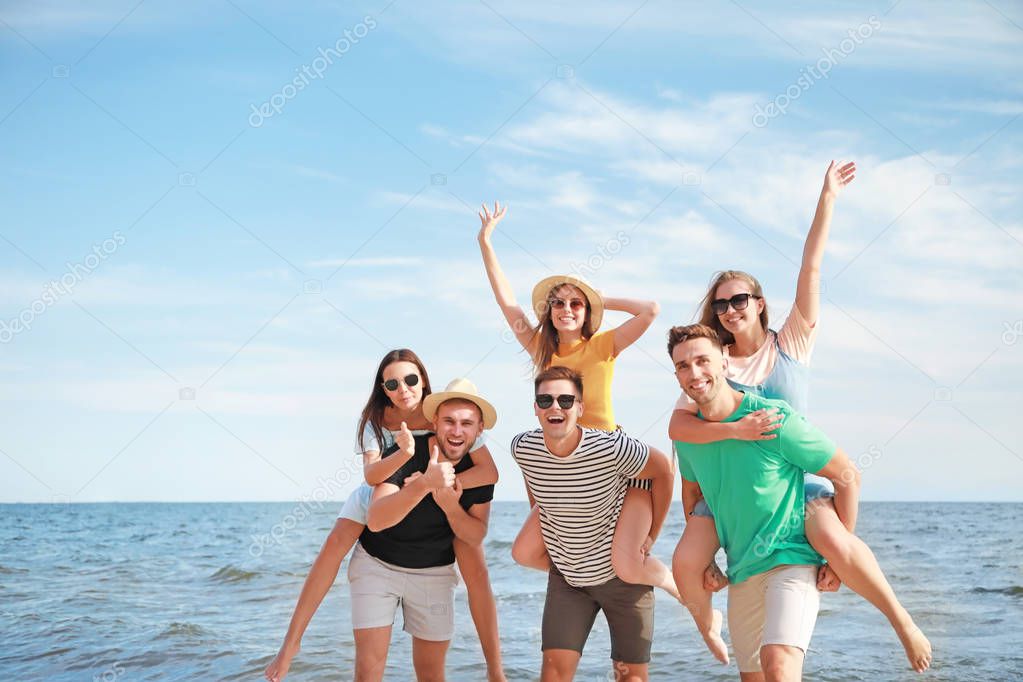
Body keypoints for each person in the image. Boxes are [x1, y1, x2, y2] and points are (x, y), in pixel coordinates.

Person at [668, 162, 931, 674]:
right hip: (728, 485)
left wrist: (827, 198)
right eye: (720, 304)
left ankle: (900, 620)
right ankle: (707, 621)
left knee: (833, 538)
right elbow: (681, 431)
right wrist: (735, 430)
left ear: (760, 303)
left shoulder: (788, 344)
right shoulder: (707, 367)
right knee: (687, 561)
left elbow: (810, 271)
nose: (729, 309)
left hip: (792, 480)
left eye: (739, 299)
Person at [669, 324, 932, 678]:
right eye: (683, 366)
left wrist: (835, 556)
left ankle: (903, 624)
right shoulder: (689, 436)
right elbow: (693, 493)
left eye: (703, 360)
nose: (694, 373)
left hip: (793, 557)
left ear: (725, 363)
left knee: (778, 664)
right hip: (743, 567)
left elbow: (847, 474)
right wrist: (706, 560)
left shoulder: (772, 420)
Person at [478, 201, 678, 601]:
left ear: (586, 312)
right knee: (524, 552)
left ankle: (658, 577)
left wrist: (603, 297)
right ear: (548, 312)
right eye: (558, 303)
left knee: (628, 558)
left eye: (576, 303)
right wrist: (485, 241)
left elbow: (650, 309)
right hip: (560, 466)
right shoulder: (539, 348)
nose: (566, 309)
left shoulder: (604, 344)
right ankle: (592, 572)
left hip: (608, 456)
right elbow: (505, 301)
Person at [264, 353, 504, 682]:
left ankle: (495, 670)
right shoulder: (377, 419)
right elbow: (372, 475)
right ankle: (291, 644)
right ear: (384, 389)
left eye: (410, 380)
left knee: (475, 564)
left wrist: (448, 484)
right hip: (382, 488)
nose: (403, 389)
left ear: (423, 380)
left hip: (435, 490)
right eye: (393, 383)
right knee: (334, 547)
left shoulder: (453, 413)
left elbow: (489, 472)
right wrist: (409, 461)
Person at [512, 366, 676, 681]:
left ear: (580, 408)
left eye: (565, 400)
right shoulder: (523, 447)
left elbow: (664, 472)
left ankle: (665, 579)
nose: (555, 407)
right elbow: (532, 477)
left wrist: (651, 536)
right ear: (535, 408)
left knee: (631, 677)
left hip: (623, 579)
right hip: (570, 582)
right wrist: (548, 514)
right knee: (554, 674)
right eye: (545, 400)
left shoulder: (611, 448)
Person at [355, 377, 498, 681]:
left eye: (466, 423)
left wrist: (449, 503)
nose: (457, 431)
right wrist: (423, 484)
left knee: (432, 673)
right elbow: (376, 520)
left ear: (479, 430)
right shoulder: (405, 453)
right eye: (448, 421)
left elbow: (475, 536)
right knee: (368, 671)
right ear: (435, 422)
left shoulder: (478, 472)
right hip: (377, 563)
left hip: (433, 571)